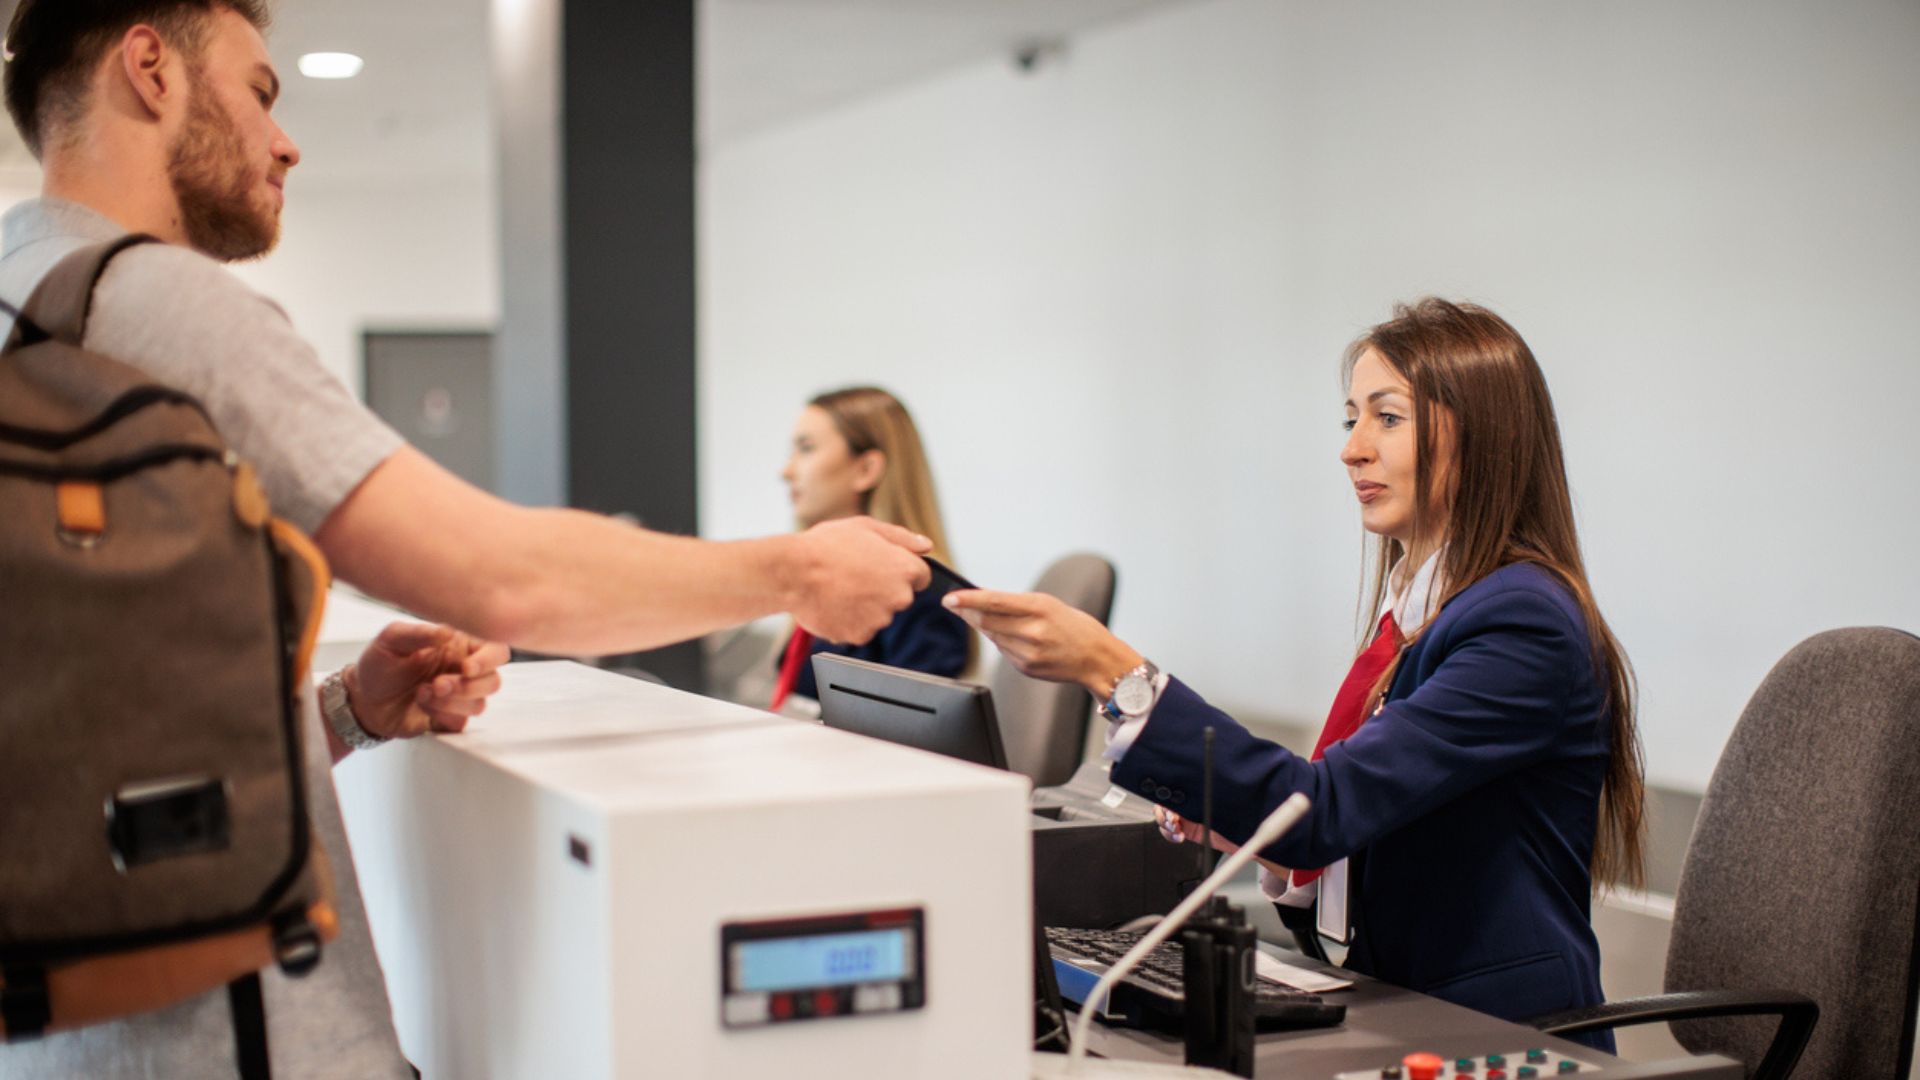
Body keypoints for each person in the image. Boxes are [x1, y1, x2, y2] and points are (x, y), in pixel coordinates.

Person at [0, 1, 925, 1075]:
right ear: (151, 69)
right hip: (236, 1039)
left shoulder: (15, 295)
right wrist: (794, 568)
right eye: (261, 92)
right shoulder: (161, 308)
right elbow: (502, 578)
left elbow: (73, 728)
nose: (285, 138)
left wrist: (347, 711)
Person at [948, 299, 1645, 1050]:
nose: (1352, 449)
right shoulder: (1421, 608)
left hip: (1498, 1030)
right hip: (1401, 1001)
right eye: (1351, 419)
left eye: (1387, 418)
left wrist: (1115, 671)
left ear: (1483, 435)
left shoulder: (1521, 623)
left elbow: (1327, 808)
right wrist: (1246, 825)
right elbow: (1351, 821)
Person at [771, 387, 972, 708]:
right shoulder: (821, 580)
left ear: (866, 469)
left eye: (806, 449)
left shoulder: (921, 597)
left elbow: (911, 730)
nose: (786, 471)